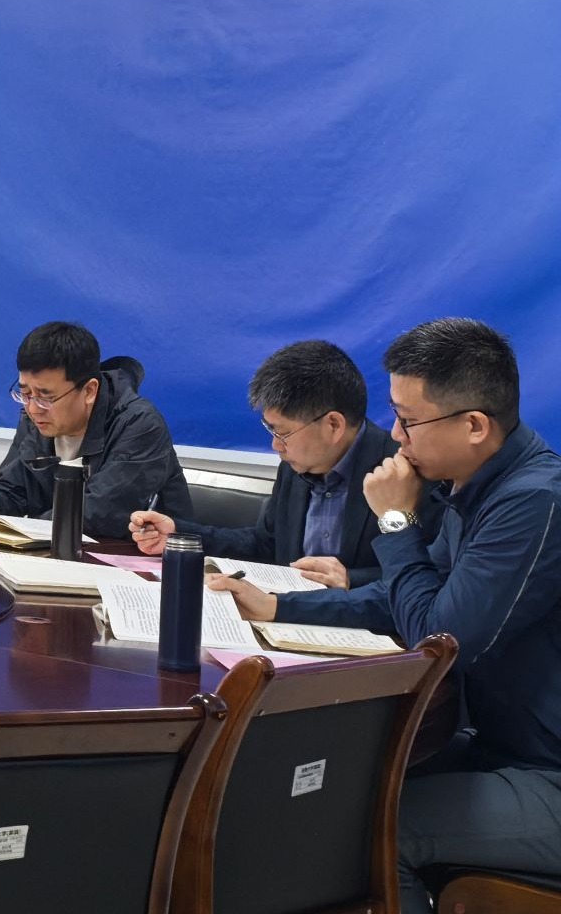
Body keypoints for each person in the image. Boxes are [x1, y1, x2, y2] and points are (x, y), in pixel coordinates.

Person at [208, 319, 561, 907]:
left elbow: (440, 636)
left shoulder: (533, 501)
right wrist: (279, 606)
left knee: (367, 829)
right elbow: (403, 596)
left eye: (408, 420)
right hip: (500, 746)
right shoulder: (475, 487)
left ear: (474, 425)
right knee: (326, 793)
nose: (396, 436)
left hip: (546, 770)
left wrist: (396, 520)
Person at [129, 340, 410, 588]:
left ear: (333, 425)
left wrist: (351, 579)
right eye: (271, 431)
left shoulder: (402, 471)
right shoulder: (296, 464)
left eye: (282, 433)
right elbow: (265, 544)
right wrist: (180, 536)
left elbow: (425, 575)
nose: (276, 445)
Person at [0, 321, 191, 540]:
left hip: (142, 561)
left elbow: (99, 513)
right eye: (25, 393)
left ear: (89, 391)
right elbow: (16, 489)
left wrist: (20, 528)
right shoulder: (36, 417)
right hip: (60, 552)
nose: (33, 408)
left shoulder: (139, 424)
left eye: (46, 397)